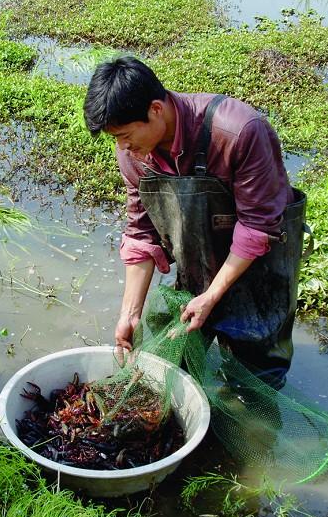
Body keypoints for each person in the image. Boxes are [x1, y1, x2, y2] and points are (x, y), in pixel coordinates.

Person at [84, 57, 308, 389]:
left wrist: (213, 294)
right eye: (115, 138)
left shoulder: (240, 132)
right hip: (198, 262)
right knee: (170, 366)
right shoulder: (133, 153)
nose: (122, 147)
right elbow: (141, 233)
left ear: (156, 109)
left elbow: (257, 227)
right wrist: (129, 313)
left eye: (126, 135)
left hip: (260, 267)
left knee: (255, 378)